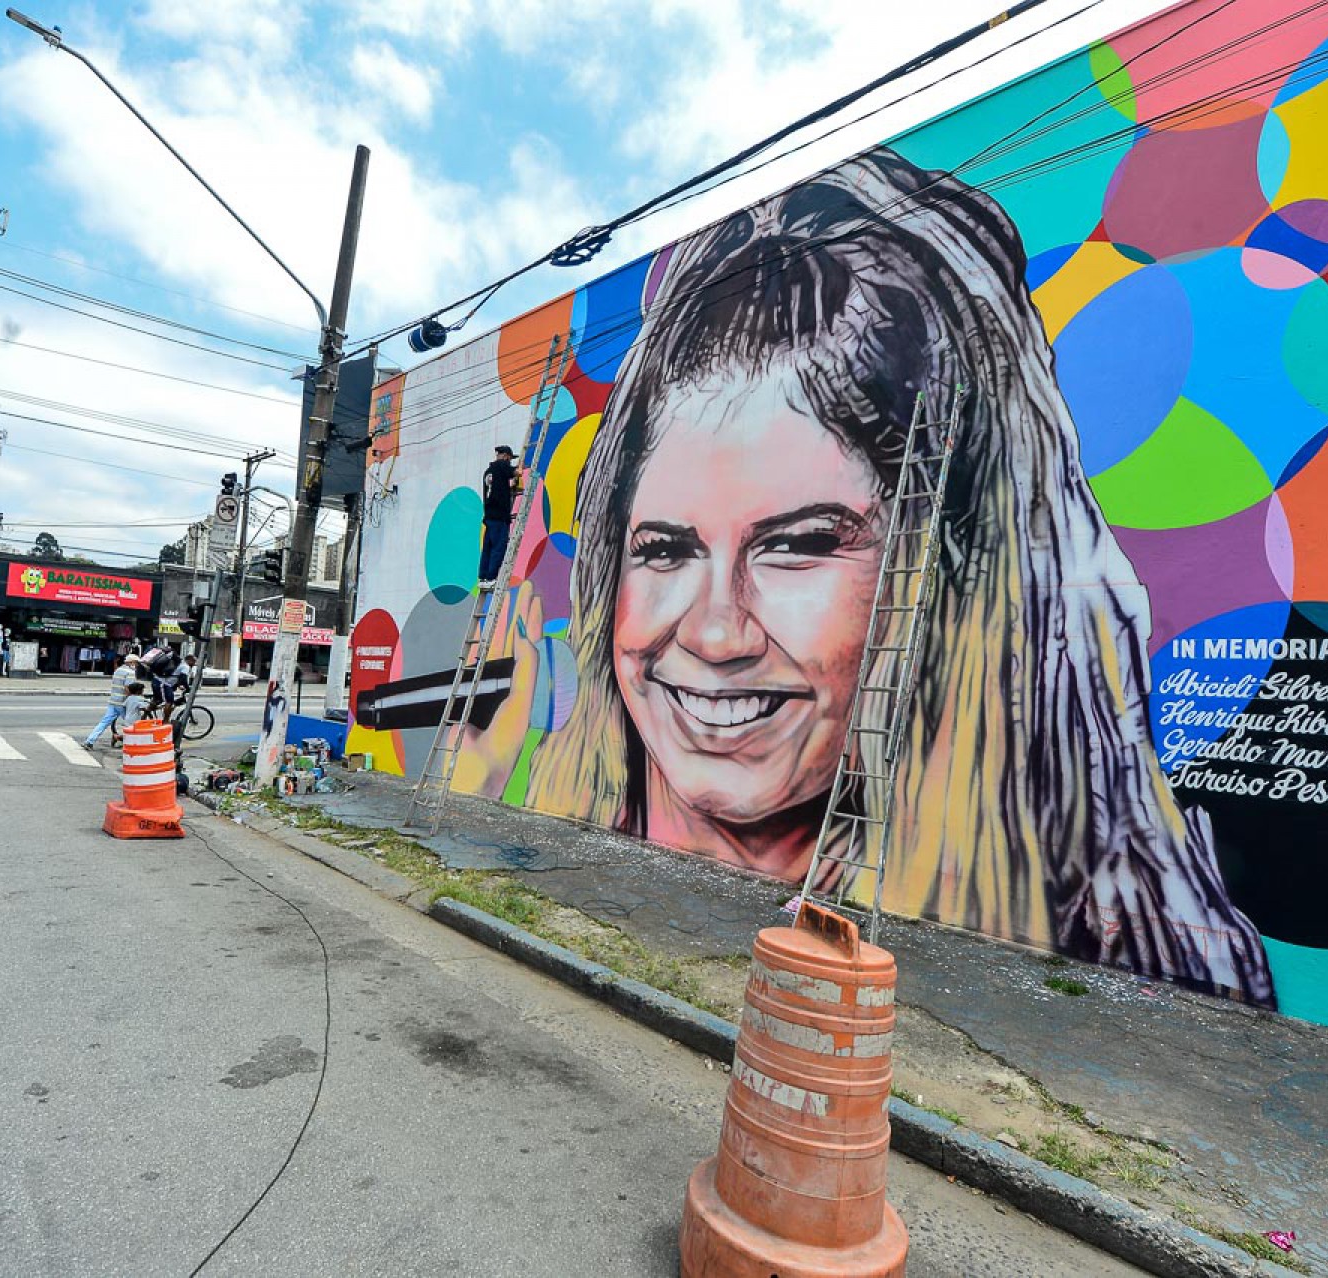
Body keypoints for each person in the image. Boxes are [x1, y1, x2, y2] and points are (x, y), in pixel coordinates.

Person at [464, 148, 1274, 1005]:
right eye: (664, 550)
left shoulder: (1149, 954)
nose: (715, 631)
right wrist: (478, 787)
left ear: (954, 567)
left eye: (800, 545)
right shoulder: (548, 788)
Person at [478, 444, 520, 585]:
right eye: (510, 459)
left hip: (489, 516)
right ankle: (491, 577)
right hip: (500, 517)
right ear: (506, 456)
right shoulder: (502, 465)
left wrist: (510, 486)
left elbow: (497, 488)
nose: (510, 461)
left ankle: (483, 578)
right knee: (498, 548)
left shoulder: (488, 472)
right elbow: (517, 472)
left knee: (488, 549)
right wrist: (520, 468)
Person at [84, 653, 141, 750]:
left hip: (113, 700)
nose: (137, 665)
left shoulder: (118, 670)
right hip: (122, 702)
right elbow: (128, 688)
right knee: (133, 723)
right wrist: (133, 699)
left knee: (104, 722)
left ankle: (89, 741)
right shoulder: (130, 673)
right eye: (136, 663)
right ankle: (134, 743)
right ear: (131, 662)